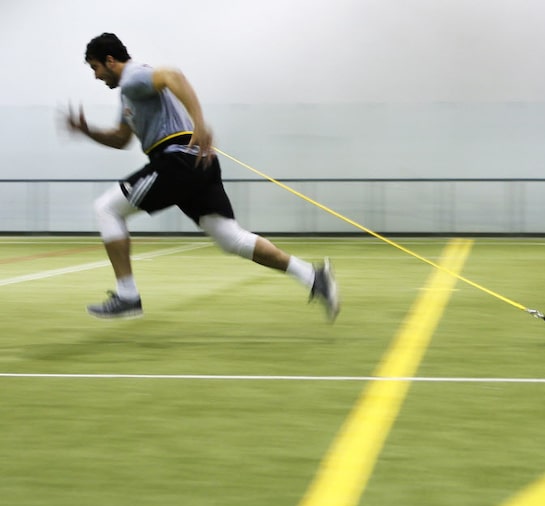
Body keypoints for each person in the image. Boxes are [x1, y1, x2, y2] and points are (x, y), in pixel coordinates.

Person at [64, 33, 339, 321]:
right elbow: (121, 138)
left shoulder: (134, 77)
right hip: (196, 163)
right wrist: (87, 131)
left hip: (177, 160)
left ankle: (128, 295)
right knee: (230, 238)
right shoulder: (128, 94)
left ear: (110, 60)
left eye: (95, 67)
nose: (95, 76)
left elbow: (174, 76)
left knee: (106, 208)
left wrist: (199, 123)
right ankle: (312, 276)